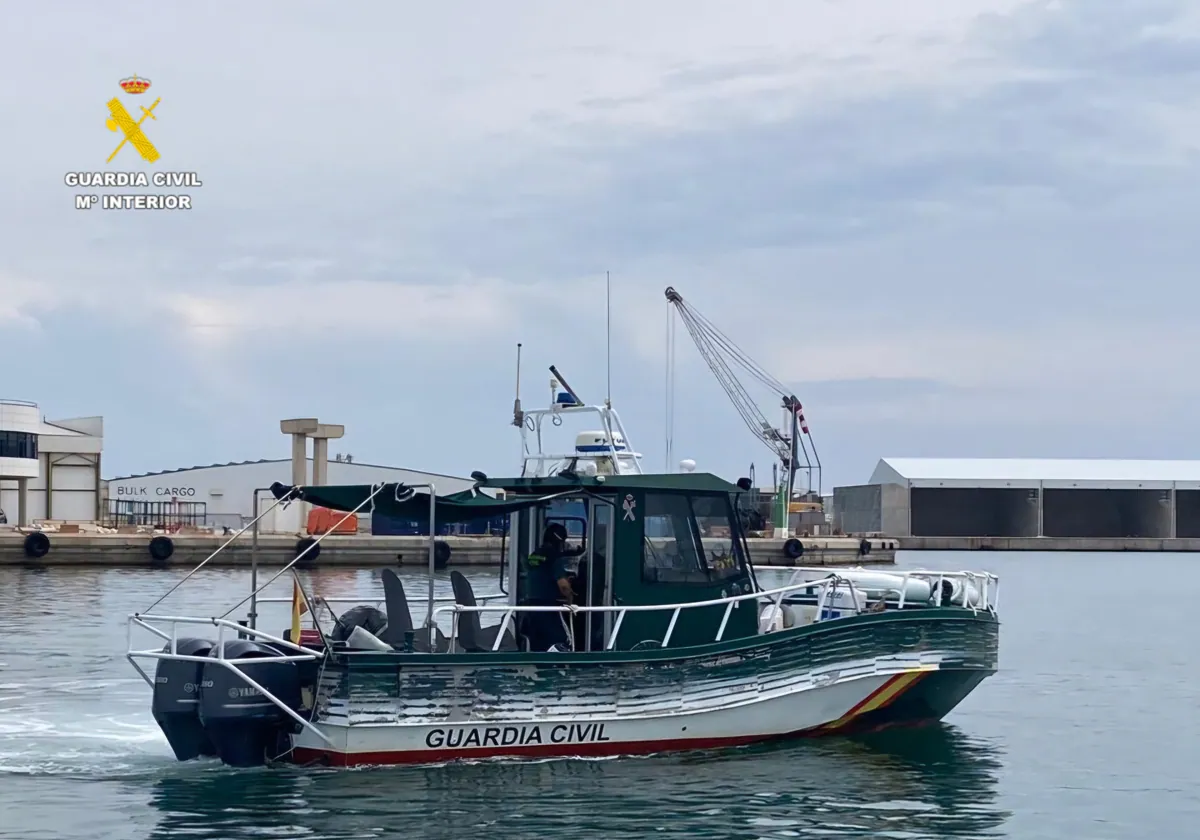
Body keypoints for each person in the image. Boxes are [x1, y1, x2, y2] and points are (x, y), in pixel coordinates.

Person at [522, 522, 585, 651]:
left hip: (531, 605)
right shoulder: (554, 557)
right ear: (559, 540)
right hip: (548, 606)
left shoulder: (535, 554)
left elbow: (538, 574)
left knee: (538, 641)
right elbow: (563, 586)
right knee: (561, 640)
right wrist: (570, 600)